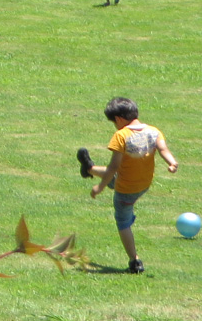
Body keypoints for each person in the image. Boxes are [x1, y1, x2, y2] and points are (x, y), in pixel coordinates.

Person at [76, 97, 178, 274]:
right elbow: (163, 149)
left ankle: (134, 261)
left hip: (126, 189)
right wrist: (172, 162)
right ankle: (89, 169)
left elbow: (113, 167)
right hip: (144, 183)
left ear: (118, 119)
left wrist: (100, 187)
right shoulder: (153, 131)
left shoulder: (121, 136)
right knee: (116, 177)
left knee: (123, 222)